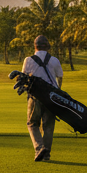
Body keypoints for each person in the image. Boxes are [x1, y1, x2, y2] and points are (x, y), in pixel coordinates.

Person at [22, 34, 64, 162]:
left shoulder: (28, 60)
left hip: (35, 96)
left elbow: (23, 78)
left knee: (32, 123)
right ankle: (46, 155)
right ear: (48, 47)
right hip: (52, 97)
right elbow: (60, 78)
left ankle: (39, 148)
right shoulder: (54, 60)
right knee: (48, 126)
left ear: (35, 46)